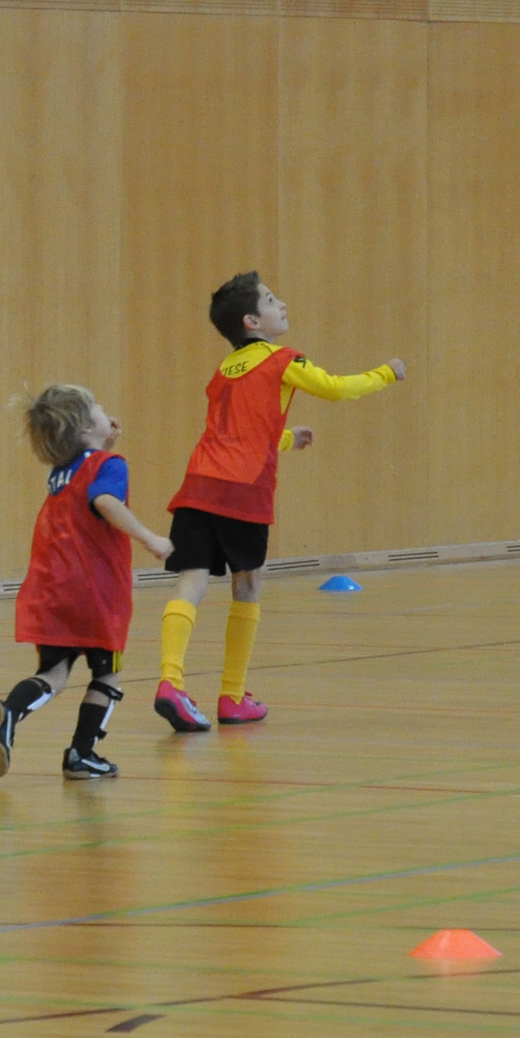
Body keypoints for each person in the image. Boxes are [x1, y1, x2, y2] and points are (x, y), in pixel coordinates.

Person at [154, 273, 405, 732]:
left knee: (191, 580)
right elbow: (335, 387)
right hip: (242, 487)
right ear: (252, 321)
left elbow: (237, 430)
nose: (283, 304)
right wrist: (386, 373)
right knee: (247, 584)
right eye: (271, 300)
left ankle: (171, 681)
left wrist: (287, 438)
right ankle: (232, 696)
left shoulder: (223, 370)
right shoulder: (282, 359)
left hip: (199, 482)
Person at [0, 384, 172, 780]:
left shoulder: (61, 472)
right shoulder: (110, 465)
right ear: (85, 427)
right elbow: (104, 501)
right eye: (98, 407)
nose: (106, 410)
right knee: (107, 674)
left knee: (53, 674)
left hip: (53, 588)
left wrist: (102, 443)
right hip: (96, 590)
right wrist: (149, 537)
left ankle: (10, 712)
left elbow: (87, 474)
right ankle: (81, 755)